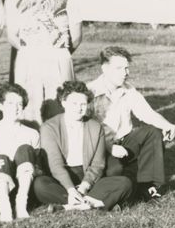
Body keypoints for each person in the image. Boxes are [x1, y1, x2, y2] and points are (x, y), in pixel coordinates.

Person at [88, 46, 175, 201]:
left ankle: (147, 185)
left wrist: (167, 125)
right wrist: (109, 147)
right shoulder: (90, 91)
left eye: (127, 68)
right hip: (100, 145)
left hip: (125, 141)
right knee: (115, 172)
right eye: (119, 68)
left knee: (152, 132)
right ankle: (128, 183)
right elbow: (87, 131)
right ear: (104, 68)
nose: (125, 73)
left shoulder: (128, 89)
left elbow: (147, 113)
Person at [33, 81, 133, 211]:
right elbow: (55, 164)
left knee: (125, 182)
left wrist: (84, 186)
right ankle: (92, 202)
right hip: (60, 177)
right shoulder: (49, 127)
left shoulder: (95, 127)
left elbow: (98, 164)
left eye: (83, 104)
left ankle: (69, 206)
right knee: (40, 185)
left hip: (86, 175)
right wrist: (71, 189)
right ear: (63, 102)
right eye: (74, 103)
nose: (78, 108)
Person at [6, 0, 83, 122]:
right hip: (29, 56)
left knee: (60, 104)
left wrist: (59, 52)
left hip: (57, 56)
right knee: (28, 105)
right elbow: (11, 35)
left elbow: (76, 36)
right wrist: (30, 50)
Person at [0, 84, 40, 221]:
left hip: (24, 185)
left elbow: (36, 164)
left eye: (20, 104)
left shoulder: (32, 133)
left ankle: (21, 204)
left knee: (24, 149)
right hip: (0, 184)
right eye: (10, 103)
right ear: (1, 106)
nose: (16, 108)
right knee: (2, 158)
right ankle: (5, 208)